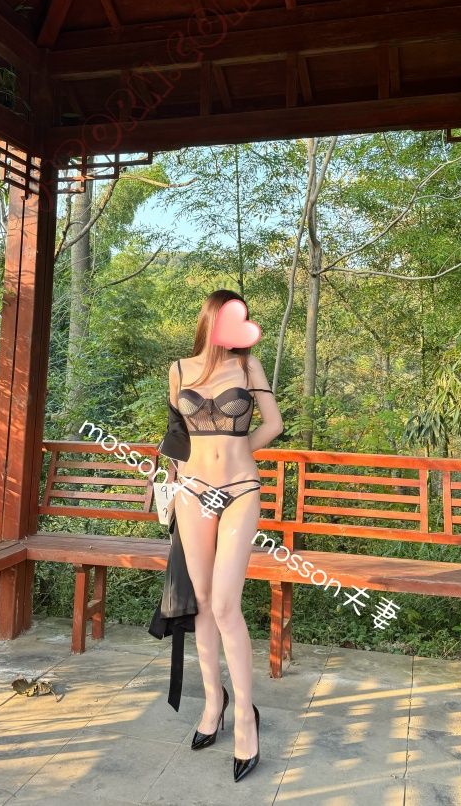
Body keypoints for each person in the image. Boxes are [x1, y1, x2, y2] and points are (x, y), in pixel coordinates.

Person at [167, 289, 283, 782]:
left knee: (225, 605)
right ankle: (214, 702)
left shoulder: (249, 367)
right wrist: (174, 477)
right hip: (193, 493)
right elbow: (177, 435)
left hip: (239, 491)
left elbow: (273, 425)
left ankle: (245, 718)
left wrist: (238, 454)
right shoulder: (179, 370)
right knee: (202, 603)